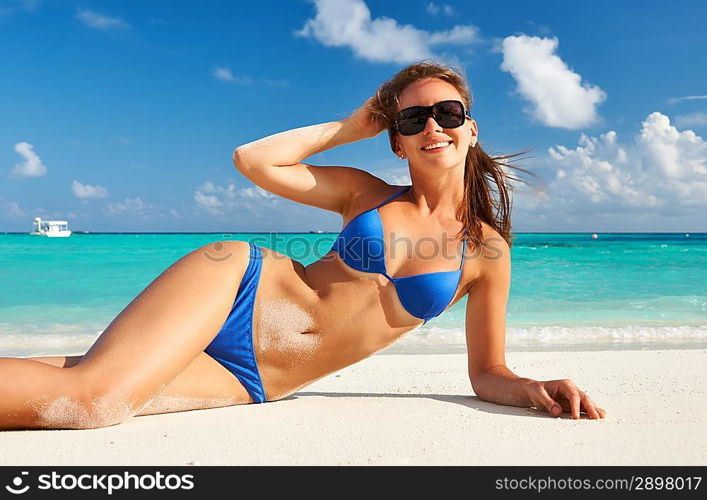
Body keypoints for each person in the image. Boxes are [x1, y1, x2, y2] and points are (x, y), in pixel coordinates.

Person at [1, 61, 605, 430]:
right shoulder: (366, 194)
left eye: (447, 113)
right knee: (93, 402)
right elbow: (253, 160)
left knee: (81, 382)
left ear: (470, 129)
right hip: (239, 288)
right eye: (411, 119)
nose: (432, 127)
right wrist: (354, 124)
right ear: (395, 140)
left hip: (256, 379)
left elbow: (485, 373)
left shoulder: (487, 252)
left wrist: (529, 389)